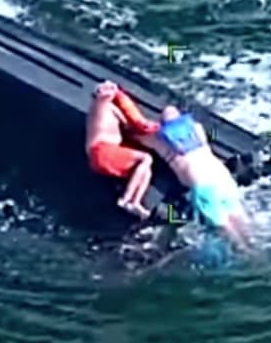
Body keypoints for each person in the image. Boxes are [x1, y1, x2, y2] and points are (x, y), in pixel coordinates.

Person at [134, 105, 253, 252]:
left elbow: (137, 134)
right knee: (238, 216)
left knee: (224, 226)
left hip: (203, 185)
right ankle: (254, 246)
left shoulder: (160, 139)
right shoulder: (197, 130)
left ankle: (245, 252)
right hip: (221, 176)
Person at [86, 80, 160, 217]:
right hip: (103, 150)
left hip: (97, 156)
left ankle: (135, 202)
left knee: (145, 169)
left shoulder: (95, 109)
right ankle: (126, 199)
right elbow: (134, 126)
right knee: (146, 158)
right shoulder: (105, 105)